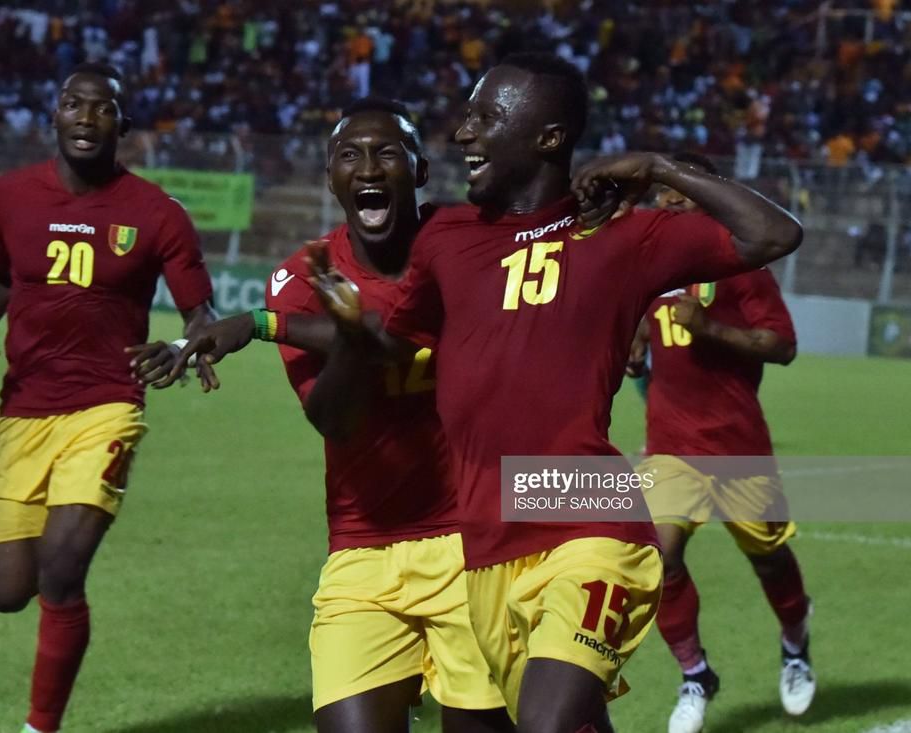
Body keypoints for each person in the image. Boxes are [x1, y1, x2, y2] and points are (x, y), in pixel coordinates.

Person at [305, 53, 803, 733]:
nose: (463, 135)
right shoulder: (447, 238)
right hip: (485, 540)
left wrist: (660, 166)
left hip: (588, 517)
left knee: (544, 722)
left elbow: (774, 233)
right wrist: (346, 331)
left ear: (548, 137)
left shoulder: (623, 234)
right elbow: (398, 344)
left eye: (484, 117)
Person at [157, 97, 514, 733]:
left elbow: (411, 330)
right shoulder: (303, 276)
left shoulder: (470, 245)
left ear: (420, 171)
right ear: (331, 179)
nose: (369, 168)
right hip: (363, 546)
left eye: (388, 154)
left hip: (475, 541)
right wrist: (339, 333)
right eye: (350, 155)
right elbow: (334, 420)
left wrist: (267, 326)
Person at [0, 62, 216, 733]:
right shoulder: (11, 195)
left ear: (123, 125)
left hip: (106, 404)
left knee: (63, 571)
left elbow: (201, 313)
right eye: (75, 103)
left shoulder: (157, 213)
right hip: (23, 410)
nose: (88, 117)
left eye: (104, 108)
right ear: (55, 115)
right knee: (8, 589)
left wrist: (191, 347)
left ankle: (40, 727)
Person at [627, 153, 814, 733]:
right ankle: (695, 674)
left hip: (737, 451)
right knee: (660, 556)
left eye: (680, 191)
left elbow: (782, 345)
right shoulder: (651, 267)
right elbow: (637, 322)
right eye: (661, 193)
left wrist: (711, 329)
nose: (669, 201)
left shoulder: (741, 266)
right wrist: (634, 346)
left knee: (768, 557)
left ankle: (795, 638)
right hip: (670, 448)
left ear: (709, 194)